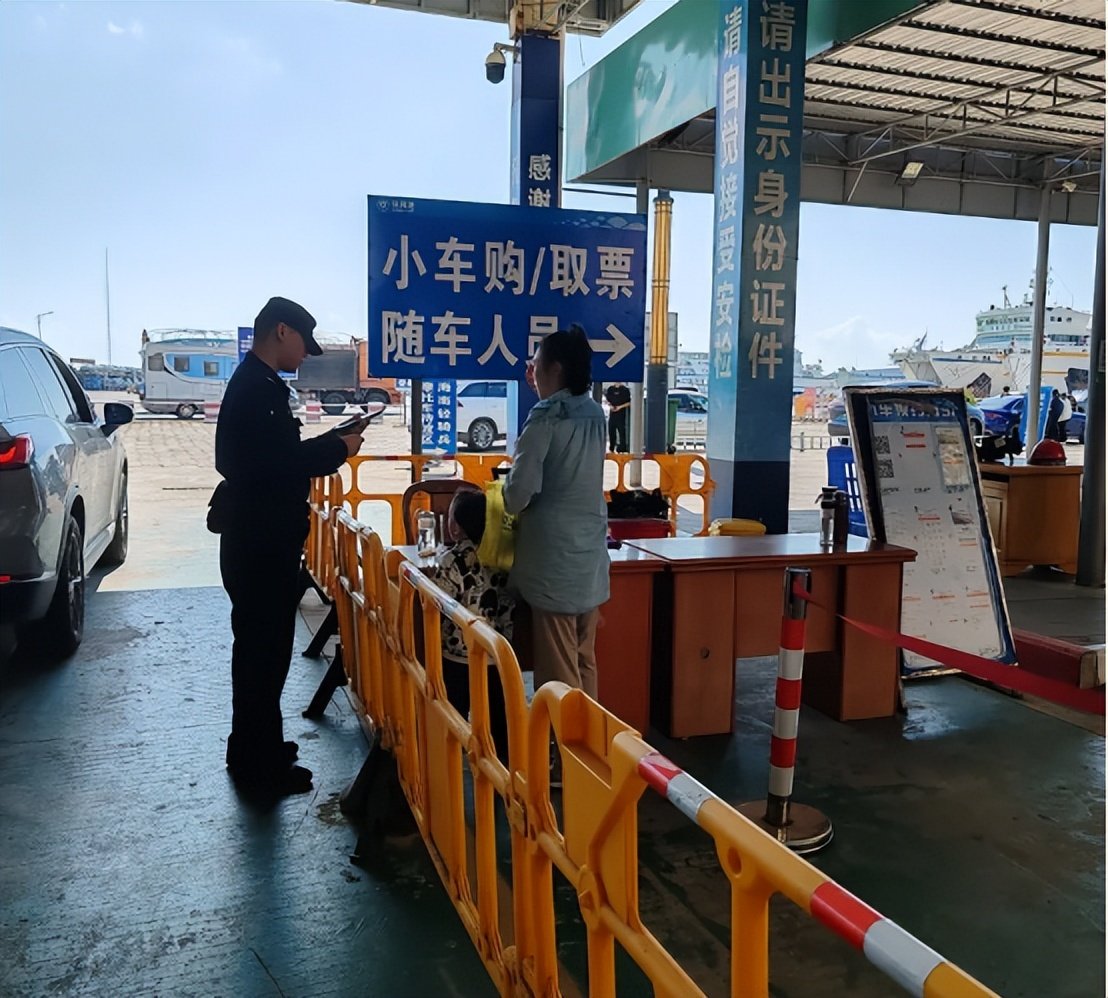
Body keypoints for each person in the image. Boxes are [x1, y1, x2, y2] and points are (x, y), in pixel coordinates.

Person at [213, 297, 364, 796]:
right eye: (303, 343)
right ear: (282, 331)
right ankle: (259, 769)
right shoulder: (257, 389)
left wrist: (331, 443)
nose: (305, 355)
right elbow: (275, 464)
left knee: (264, 654)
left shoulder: (256, 384)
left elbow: (274, 456)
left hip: (257, 541)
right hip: (260, 545)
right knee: (262, 656)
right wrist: (337, 449)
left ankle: (256, 747)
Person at [503, 326, 609, 701]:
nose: (531, 370)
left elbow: (519, 494)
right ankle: (591, 735)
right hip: (589, 560)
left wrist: (505, 491)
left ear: (556, 368)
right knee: (584, 661)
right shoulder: (594, 413)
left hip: (554, 565)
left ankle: (562, 739)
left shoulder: (546, 417)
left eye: (536, 363)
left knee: (558, 675)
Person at [433, 489, 513, 758]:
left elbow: (438, 601)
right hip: (497, 653)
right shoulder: (502, 558)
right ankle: (504, 765)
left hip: (458, 655)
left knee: (453, 714)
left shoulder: (451, 560)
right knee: (498, 718)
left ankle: (448, 762)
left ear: (455, 527)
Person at [603, 381, 631, 453]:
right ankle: (611, 447)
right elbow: (607, 400)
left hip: (621, 414)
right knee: (611, 430)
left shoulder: (625, 390)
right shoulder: (610, 389)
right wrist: (610, 406)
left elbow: (629, 402)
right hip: (612, 413)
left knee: (622, 431)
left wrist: (620, 407)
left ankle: (622, 448)